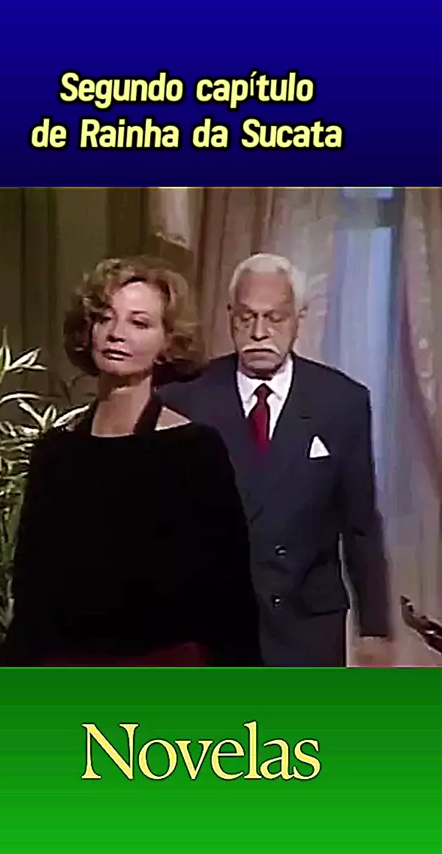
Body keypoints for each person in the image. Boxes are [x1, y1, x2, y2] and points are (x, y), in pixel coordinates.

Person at [0, 257, 261, 667]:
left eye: (139, 323)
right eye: (105, 318)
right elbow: (32, 596)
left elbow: (230, 599)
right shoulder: (56, 453)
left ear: (168, 342)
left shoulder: (193, 450)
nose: (117, 333)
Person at [159, 253, 393, 667]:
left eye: (275, 318)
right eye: (246, 318)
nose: (259, 332)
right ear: (229, 315)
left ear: (299, 318)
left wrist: (374, 626)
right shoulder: (185, 399)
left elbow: (360, 524)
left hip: (307, 627)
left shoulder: (342, 401)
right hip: (213, 626)